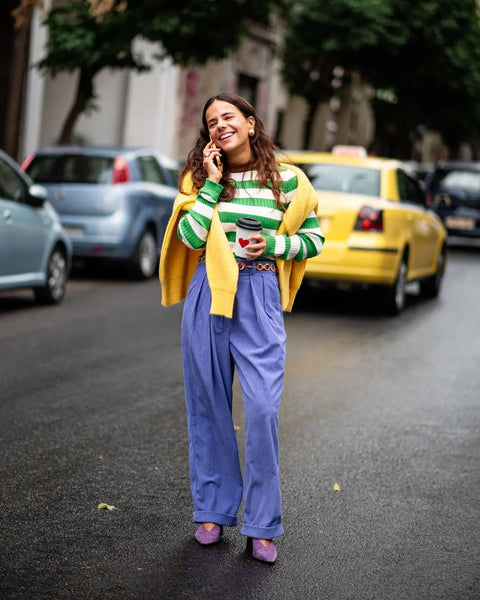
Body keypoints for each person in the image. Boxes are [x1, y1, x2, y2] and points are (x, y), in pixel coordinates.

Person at [159, 93, 324, 563]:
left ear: (250, 123)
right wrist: (211, 185)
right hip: (208, 293)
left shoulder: (288, 180)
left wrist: (269, 244)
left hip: (260, 293)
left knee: (263, 410)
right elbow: (190, 238)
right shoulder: (198, 179)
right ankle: (211, 511)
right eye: (211, 121)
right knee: (208, 408)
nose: (219, 126)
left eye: (228, 117)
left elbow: (313, 238)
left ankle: (262, 523)